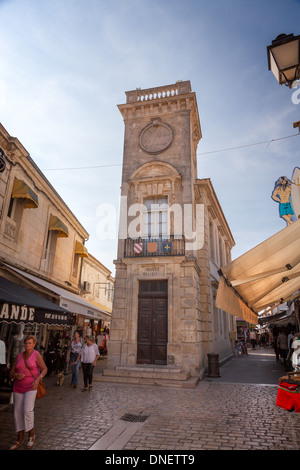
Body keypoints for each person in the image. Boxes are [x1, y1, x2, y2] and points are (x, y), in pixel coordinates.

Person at [8, 334, 47, 450]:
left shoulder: (36, 355)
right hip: (18, 387)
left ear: (34, 344)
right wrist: (16, 375)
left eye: (30, 343)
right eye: (26, 343)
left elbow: (45, 369)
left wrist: (38, 379)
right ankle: (19, 438)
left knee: (27, 411)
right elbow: (11, 373)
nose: (27, 345)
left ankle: (31, 434)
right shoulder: (20, 356)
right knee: (17, 413)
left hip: (31, 386)